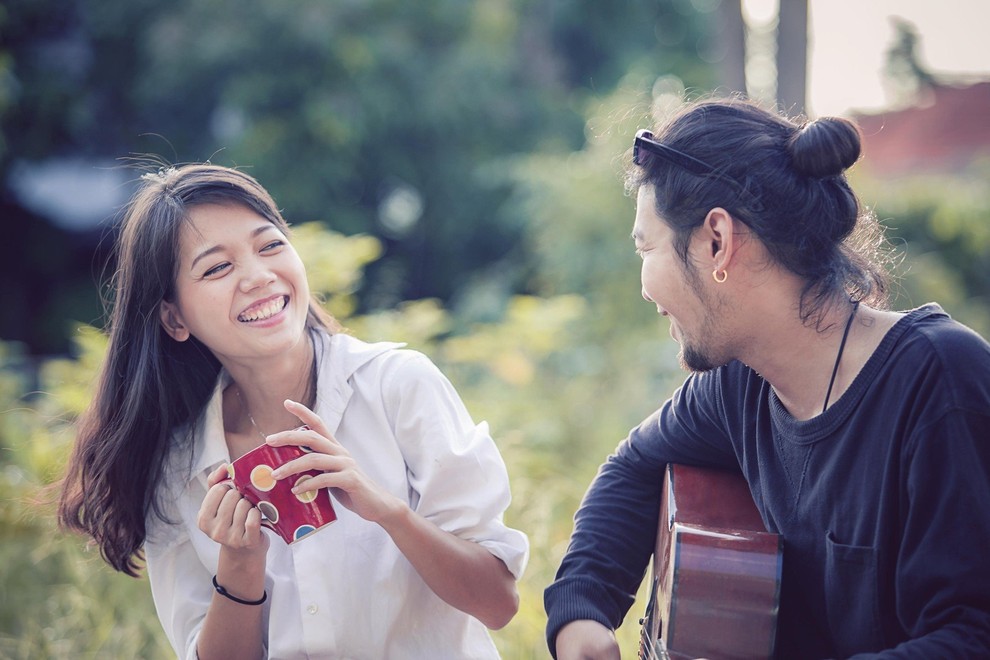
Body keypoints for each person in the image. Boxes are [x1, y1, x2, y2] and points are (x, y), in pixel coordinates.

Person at [544, 97, 990, 658]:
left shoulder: (941, 381)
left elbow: (971, 637)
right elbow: (635, 467)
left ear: (717, 241)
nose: (644, 286)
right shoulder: (739, 385)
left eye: (647, 248)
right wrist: (580, 613)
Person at [58, 163, 529, 659]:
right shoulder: (177, 465)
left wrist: (388, 511)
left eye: (270, 245)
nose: (258, 277)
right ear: (174, 318)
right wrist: (239, 565)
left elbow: (498, 603)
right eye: (218, 268)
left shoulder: (398, 385)